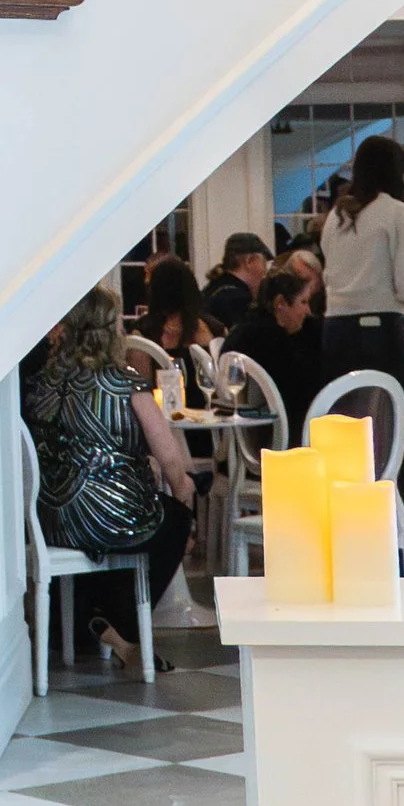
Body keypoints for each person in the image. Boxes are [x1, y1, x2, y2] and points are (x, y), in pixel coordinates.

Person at [24, 280, 198, 671]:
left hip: (50, 521)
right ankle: (123, 622)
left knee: (107, 534)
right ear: (109, 330)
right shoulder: (128, 386)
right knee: (171, 519)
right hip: (112, 519)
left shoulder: (40, 386)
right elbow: (171, 459)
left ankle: (98, 624)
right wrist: (186, 496)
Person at [319, 130, 404, 515]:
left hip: (334, 333)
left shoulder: (336, 216)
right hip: (380, 333)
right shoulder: (399, 214)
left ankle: (347, 525)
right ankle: (398, 536)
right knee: (390, 435)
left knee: (344, 436)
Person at [234, 255, 329, 439]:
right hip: (282, 435)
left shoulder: (245, 330)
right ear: (281, 304)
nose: (308, 311)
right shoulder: (273, 344)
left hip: (248, 438)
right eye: (303, 302)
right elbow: (306, 392)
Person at [142, 254, 220, 402]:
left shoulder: (143, 334)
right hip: (211, 416)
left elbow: (141, 390)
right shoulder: (214, 328)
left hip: (162, 416)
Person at [200, 232, 270, 336]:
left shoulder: (212, 287)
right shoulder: (238, 300)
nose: (265, 272)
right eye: (264, 263)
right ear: (249, 261)